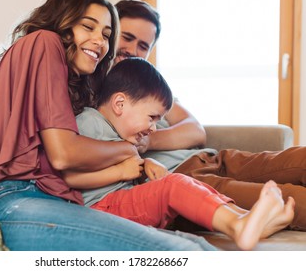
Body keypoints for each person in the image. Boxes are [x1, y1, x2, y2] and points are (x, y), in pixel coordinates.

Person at [0, 0, 218, 251]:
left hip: (49, 199)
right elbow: (64, 155)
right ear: (63, 23)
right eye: (88, 27)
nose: (99, 42)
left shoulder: (63, 76)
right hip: (19, 199)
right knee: (183, 252)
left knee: (193, 244)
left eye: (106, 35)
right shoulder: (45, 42)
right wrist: (129, 150)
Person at [113, 0, 306, 232]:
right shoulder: (97, 90)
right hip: (184, 181)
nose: (133, 51)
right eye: (127, 37)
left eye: (143, 45)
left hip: (210, 159)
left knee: (299, 158)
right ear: (111, 32)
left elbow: (195, 130)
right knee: (291, 199)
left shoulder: (150, 86)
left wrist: (149, 140)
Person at [68, 58, 295, 251]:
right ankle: (237, 226)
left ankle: (245, 217)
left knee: (185, 182)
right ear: (119, 104)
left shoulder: (120, 134)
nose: (154, 129)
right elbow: (69, 177)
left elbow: (121, 161)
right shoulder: (89, 123)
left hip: (122, 201)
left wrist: (146, 163)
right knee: (174, 186)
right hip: (103, 208)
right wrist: (118, 171)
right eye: (152, 117)